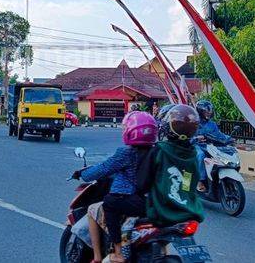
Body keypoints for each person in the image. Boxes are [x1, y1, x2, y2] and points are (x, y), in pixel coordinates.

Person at [73, 111, 158, 263]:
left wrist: (82, 174)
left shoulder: (126, 153)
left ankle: (110, 254)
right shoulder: (157, 151)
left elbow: (104, 168)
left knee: (100, 206)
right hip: (152, 202)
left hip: (129, 200)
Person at [138, 104, 204, 226]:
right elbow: (187, 184)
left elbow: (143, 183)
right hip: (188, 211)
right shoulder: (191, 154)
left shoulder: (159, 150)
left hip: (160, 212)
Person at [193, 100, 231, 192]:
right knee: (201, 155)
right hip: (196, 146)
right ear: (200, 112)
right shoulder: (194, 123)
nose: (209, 113)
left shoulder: (212, 124)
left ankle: (216, 178)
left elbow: (219, 135)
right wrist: (196, 138)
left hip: (209, 146)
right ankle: (200, 181)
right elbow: (188, 136)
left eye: (210, 111)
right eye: (206, 111)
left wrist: (230, 138)